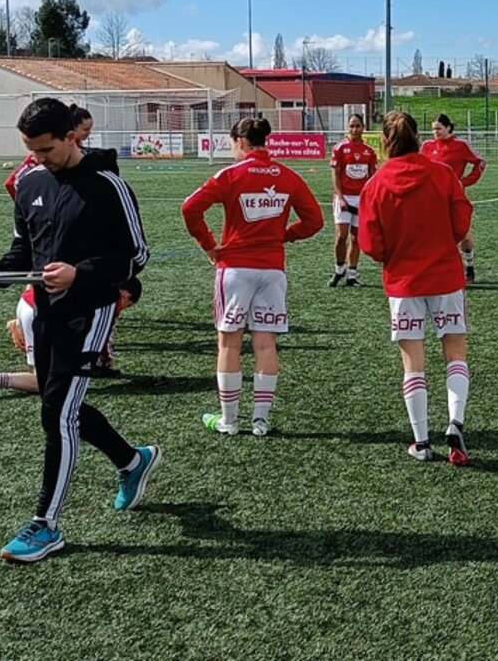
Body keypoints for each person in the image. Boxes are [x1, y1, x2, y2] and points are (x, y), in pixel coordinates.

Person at [0, 98, 159, 564]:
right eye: (31, 149)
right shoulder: (30, 180)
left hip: (90, 311)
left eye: (46, 149)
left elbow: (137, 257)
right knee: (60, 404)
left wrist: (80, 273)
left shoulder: (108, 185)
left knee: (57, 415)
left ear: (73, 137)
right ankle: (133, 461)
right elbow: (23, 251)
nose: (37, 158)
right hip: (46, 311)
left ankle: (45, 525)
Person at [181, 118, 324, 438]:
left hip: (234, 268)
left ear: (239, 142)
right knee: (265, 343)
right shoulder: (288, 176)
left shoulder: (231, 175)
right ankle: (261, 421)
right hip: (272, 270)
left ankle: (229, 421)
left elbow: (190, 208)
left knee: (229, 342)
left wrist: (209, 244)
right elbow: (315, 221)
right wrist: (284, 236)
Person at [359, 112, 474, 465]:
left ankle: (421, 441)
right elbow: (461, 224)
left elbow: (370, 245)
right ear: (418, 137)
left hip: (403, 282)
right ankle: (455, 421)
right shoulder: (442, 175)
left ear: (384, 141)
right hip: (446, 277)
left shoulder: (375, 185)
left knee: (413, 364)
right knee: (455, 351)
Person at [0, 279, 142, 401]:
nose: (124, 308)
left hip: (30, 302)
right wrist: (105, 363)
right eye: (128, 304)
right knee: (45, 383)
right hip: (38, 312)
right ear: (124, 295)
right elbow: (103, 346)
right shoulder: (110, 298)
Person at [422, 114, 485, 283]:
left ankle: (469, 266)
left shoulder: (460, 146)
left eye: (439, 128)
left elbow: (480, 163)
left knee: (463, 233)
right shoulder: (427, 146)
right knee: (435, 236)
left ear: (448, 128)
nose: (435, 132)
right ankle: (441, 271)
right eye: (433, 129)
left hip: (454, 198)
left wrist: (463, 182)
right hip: (433, 199)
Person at [329, 115, 378, 287]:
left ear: (363, 127)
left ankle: (352, 274)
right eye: (351, 126)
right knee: (341, 237)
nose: (354, 129)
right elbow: (335, 174)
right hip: (344, 198)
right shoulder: (340, 148)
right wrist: (340, 197)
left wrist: (369, 198)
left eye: (357, 126)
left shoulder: (369, 151)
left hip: (361, 200)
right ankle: (338, 269)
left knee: (356, 238)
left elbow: (372, 176)